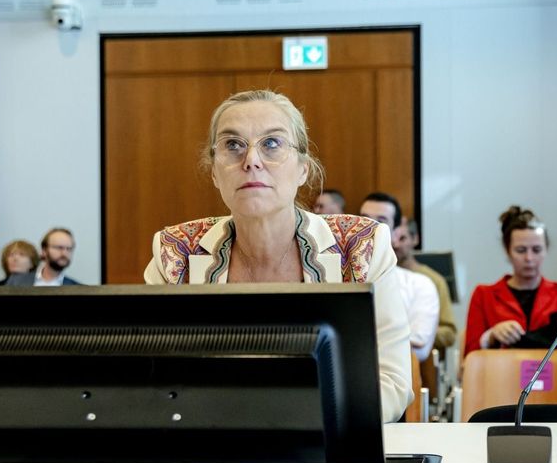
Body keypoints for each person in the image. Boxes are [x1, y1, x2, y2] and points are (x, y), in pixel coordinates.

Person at [143, 89, 412, 422]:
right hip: (211, 454)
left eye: (271, 144)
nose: (251, 160)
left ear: (302, 168)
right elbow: (151, 383)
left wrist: (297, 422)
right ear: (214, 171)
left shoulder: (362, 245)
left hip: (329, 454)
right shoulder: (175, 251)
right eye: (232, 145)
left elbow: (392, 381)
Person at [463, 206, 557, 358]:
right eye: (521, 250)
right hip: (501, 379)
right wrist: (491, 336)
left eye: (536, 250)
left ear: (546, 250)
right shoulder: (484, 295)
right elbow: (469, 358)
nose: (529, 258)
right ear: (507, 251)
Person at [358, 193, 439, 362]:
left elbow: (420, 349)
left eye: (381, 221)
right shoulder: (337, 278)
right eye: (364, 219)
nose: (370, 228)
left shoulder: (420, 285)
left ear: (396, 233)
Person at [394, 219, 457, 352]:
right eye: (392, 238)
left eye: (402, 238)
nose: (396, 244)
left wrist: (422, 332)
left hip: (421, 360)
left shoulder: (434, 280)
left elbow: (449, 333)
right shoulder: (380, 278)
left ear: (415, 239)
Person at [7, 228, 81, 286]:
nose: (64, 253)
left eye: (69, 249)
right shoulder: (16, 281)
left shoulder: (79, 289)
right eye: (59, 248)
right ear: (44, 251)